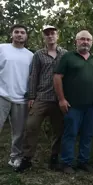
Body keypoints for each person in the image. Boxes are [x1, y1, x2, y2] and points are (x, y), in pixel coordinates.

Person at [15, 25, 67, 172]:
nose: (50, 36)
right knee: (31, 126)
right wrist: (31, 96)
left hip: (58, 99)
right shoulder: (38, 54)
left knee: (58, 129)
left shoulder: (65, 54)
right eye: (47, 34)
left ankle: (54, 158)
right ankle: (26, 158)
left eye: (53, 34)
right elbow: (33, 76)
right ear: (44, 37)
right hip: (42, 97)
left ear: (57, 36)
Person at [53, 30, 93, 174]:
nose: (85, 42)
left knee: (88, 134)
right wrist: (61, 99)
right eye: (82, 39)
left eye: (88, 40)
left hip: (92, 106)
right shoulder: (68, 57)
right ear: (76, 41)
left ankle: (83, 161)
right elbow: (57, 78)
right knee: (70, 134)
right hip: (73, 105)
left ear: (91, 43)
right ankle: (67, 163)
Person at [0, 24, 34, 168]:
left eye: (22, 32)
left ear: (26, 36)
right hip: (2, 95)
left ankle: (15, 158)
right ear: (11, 35)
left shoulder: (31, 55)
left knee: (19, 132)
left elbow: (32, 77)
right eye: (16, 32)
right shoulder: (2, 48)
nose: (19, 34)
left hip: (21, 98)